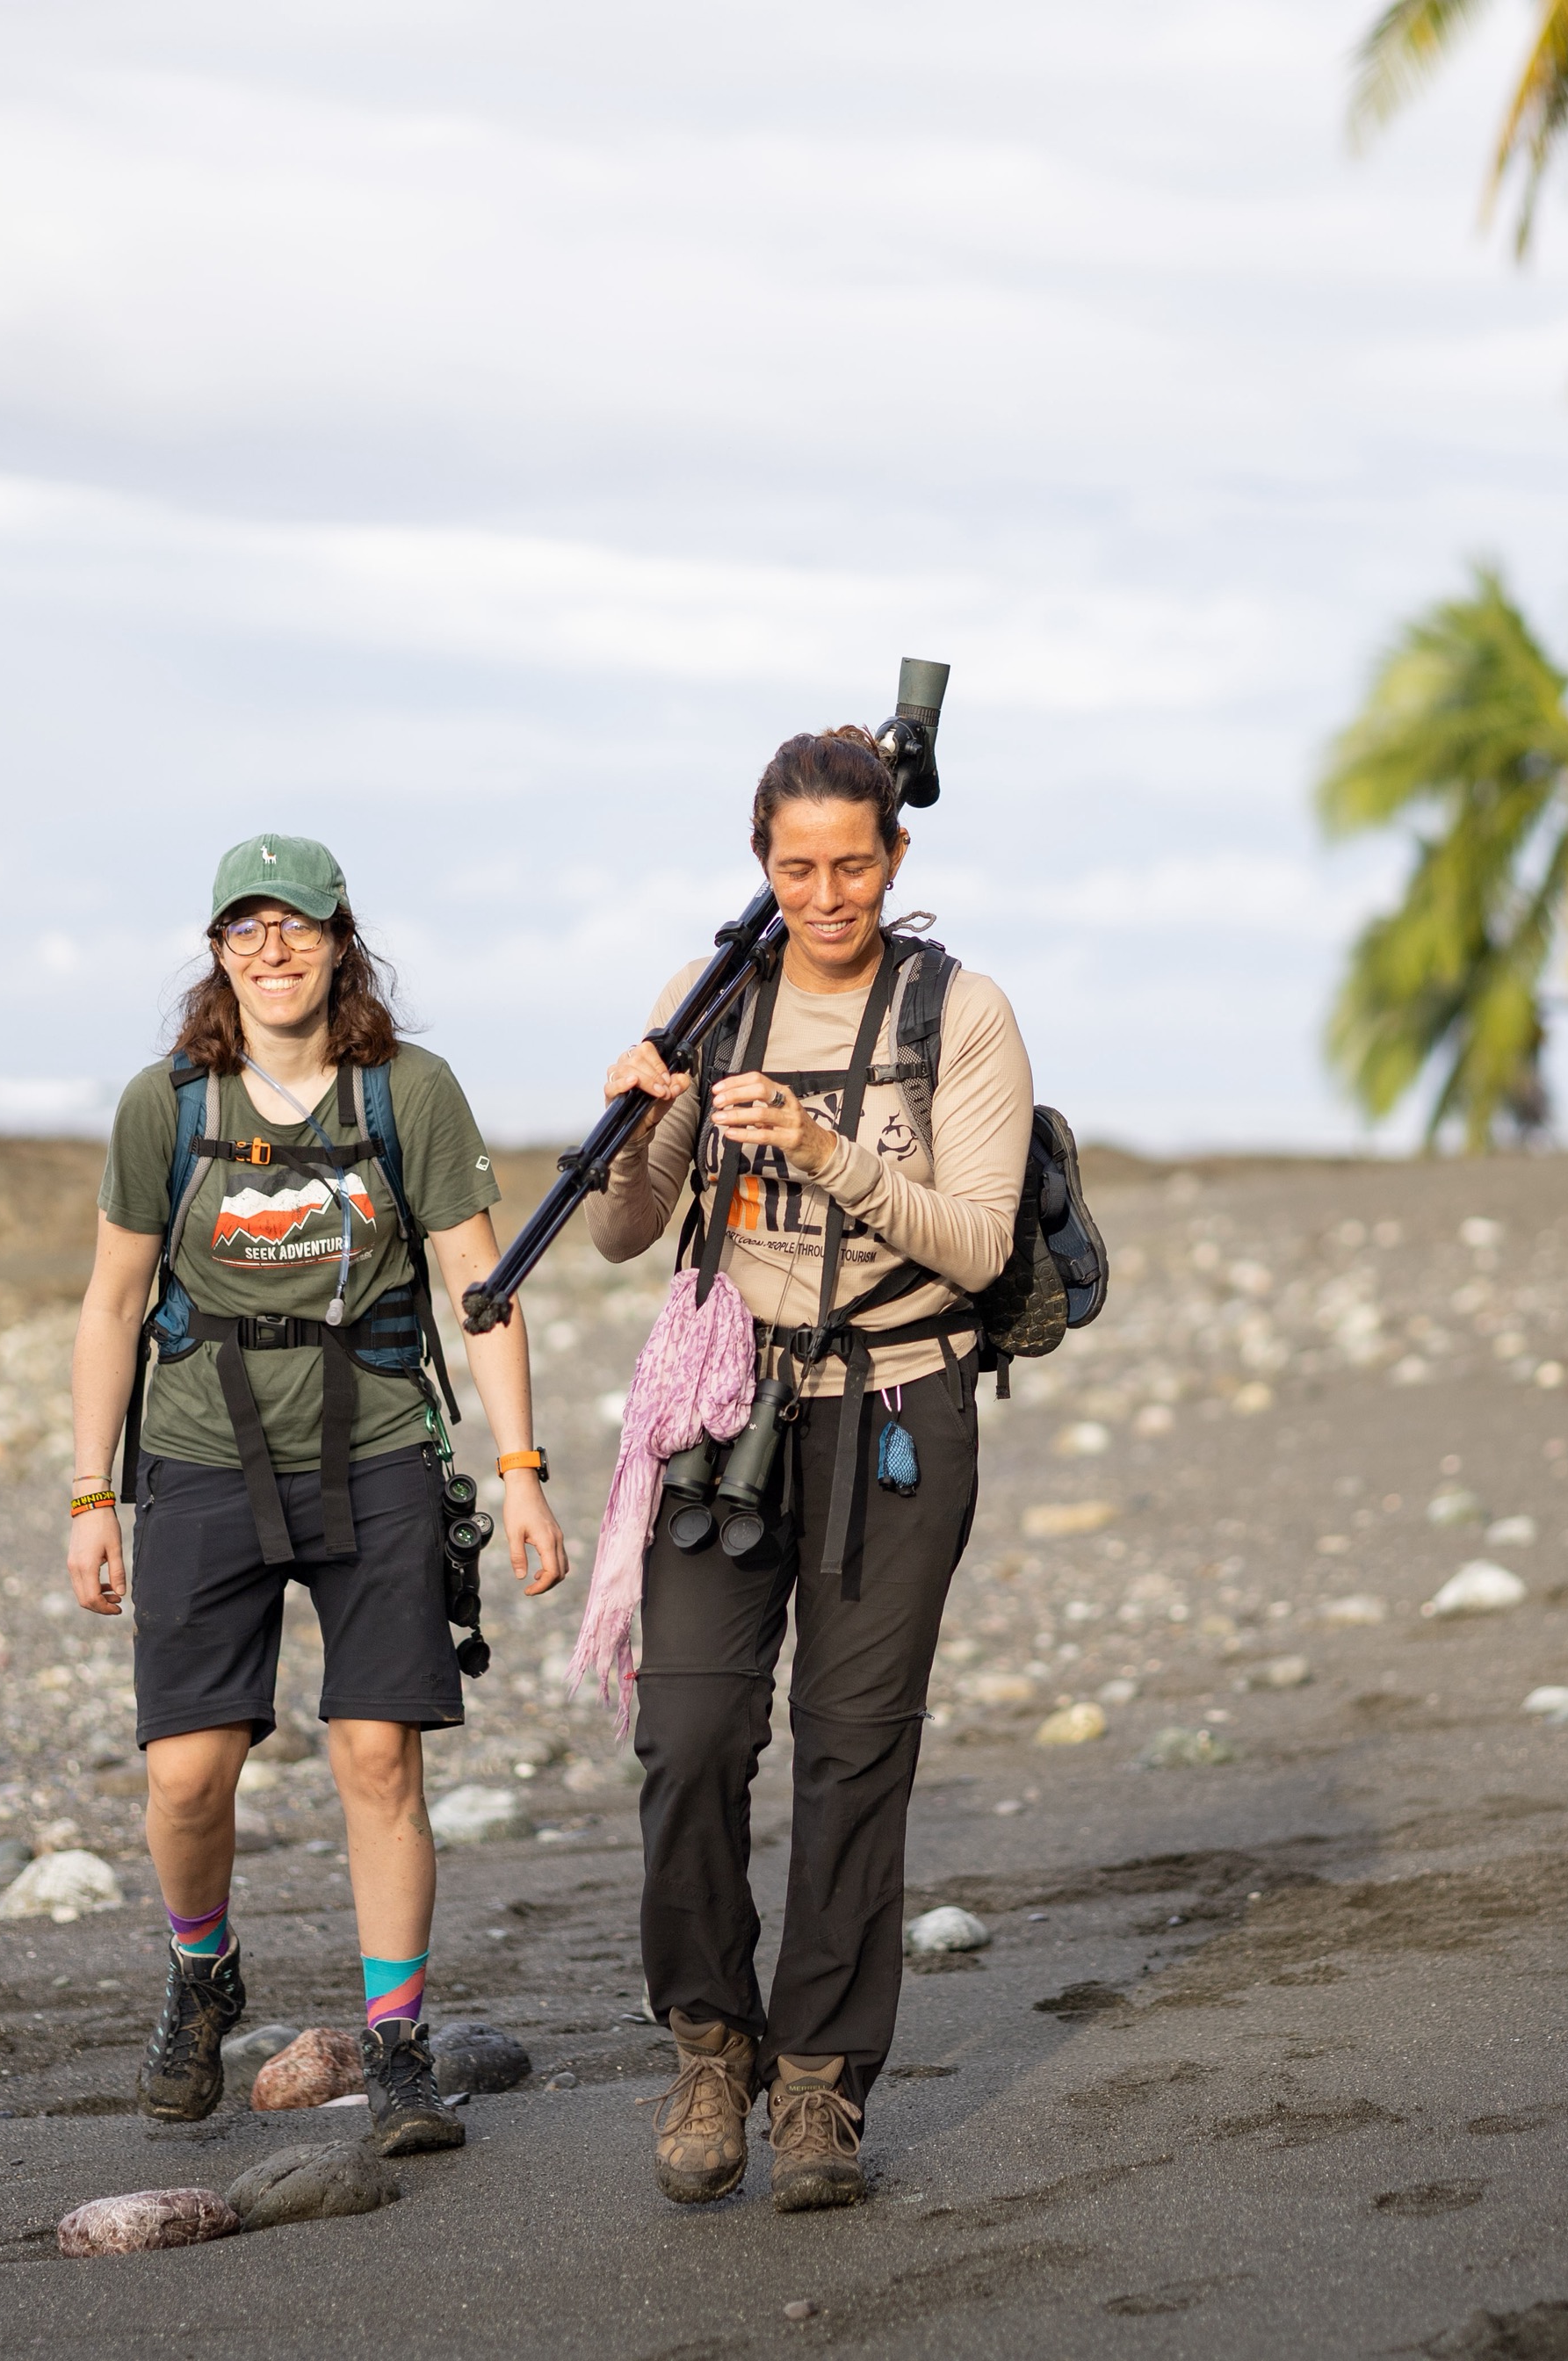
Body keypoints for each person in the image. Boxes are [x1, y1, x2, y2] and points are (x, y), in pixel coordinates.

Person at [588, 727, 1034, 2212]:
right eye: (797, 867)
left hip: (899, 1404)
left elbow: (980, 1240)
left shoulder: (960, 1013)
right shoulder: (709, 999)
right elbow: (622, 1237)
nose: (826, 892)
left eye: (853, 864)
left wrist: (829, 1149)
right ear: (762, 865)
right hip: (726, 1407)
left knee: (857, 1752)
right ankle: (712, 2044)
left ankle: (820, 2092)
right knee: (691, 1739)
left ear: (895, 860)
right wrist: (643, 1131)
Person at [65, 834, 568, 2146]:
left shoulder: (412, 1089)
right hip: (199, 1449)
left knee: (377, 1754)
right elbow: (114, 1303)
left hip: (381, 1445)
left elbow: (483, 1292)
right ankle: (200, 1974)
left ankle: (397, 2043)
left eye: (297, 926)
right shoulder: (164, 1105)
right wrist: (86, 1496)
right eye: (246, 928)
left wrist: (520, 1474)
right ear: (219, 950)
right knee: (186, 1773)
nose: (273, 949)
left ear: (342, 940)